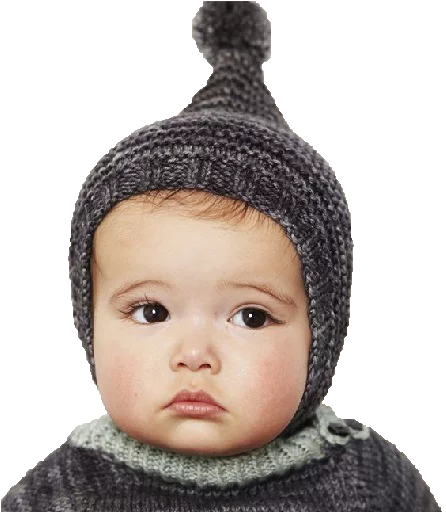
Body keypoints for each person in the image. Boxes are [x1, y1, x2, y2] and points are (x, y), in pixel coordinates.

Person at [2, 2, 441, 510]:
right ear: (88, 323)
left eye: (251, 316)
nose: (194, 355)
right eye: (151, 311)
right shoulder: (64, 491)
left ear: (320, 338)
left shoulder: (369, 480)